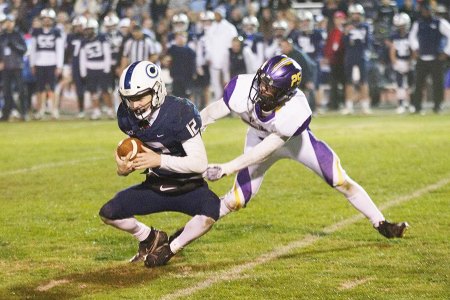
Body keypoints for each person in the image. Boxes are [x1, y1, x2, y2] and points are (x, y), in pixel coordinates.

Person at [200, 55, 408, 239]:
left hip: (292, 143)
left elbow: (263, 152)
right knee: (237, 199)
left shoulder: (295, 110)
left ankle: (380, 222)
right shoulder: (242, 87)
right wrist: (189, 132)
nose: (262, 88)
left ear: (284, 93)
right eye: (262, 81)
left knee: (340, 179)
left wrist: (228, 167)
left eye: (270, 87)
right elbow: (210, 114)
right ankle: (186, 233)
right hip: (257, 137)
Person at [98, 60, 220, 268]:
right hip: (155, 185)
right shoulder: (126, 117)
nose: (134, 105)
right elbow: (138, 154)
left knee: (211, 209)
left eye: (139, 97)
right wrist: (123, 169)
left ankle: (171, 248)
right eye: (129, 99)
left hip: (187, 187)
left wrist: (158, 159)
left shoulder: (180, 112)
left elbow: (200, 164)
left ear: (157, 90)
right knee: (108, 213)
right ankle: (150, 238)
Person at [409, 1, 450, 114]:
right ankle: (417, 107)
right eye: (424, 10)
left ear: (431, 11)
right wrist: (415, 48)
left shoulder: (439, 22)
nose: (425, 12)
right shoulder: (419, 23)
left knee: (438, 83)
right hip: (422, 58)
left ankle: (438, 106)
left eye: (427, 10)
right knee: (418, 84)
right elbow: (412, 37)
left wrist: (446, 52)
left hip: (436, 58)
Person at [0, 14, 27, 121]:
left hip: (17, 66)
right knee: (6, 91)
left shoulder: (18, 35)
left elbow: (24, 49)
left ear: (14, 23)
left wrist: (14, 45)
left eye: (10, 22)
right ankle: (6, 113)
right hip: (6, 67)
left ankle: (23, 113)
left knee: (21, 90)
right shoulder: (2, 36)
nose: (9, 24)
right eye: (7, 22)